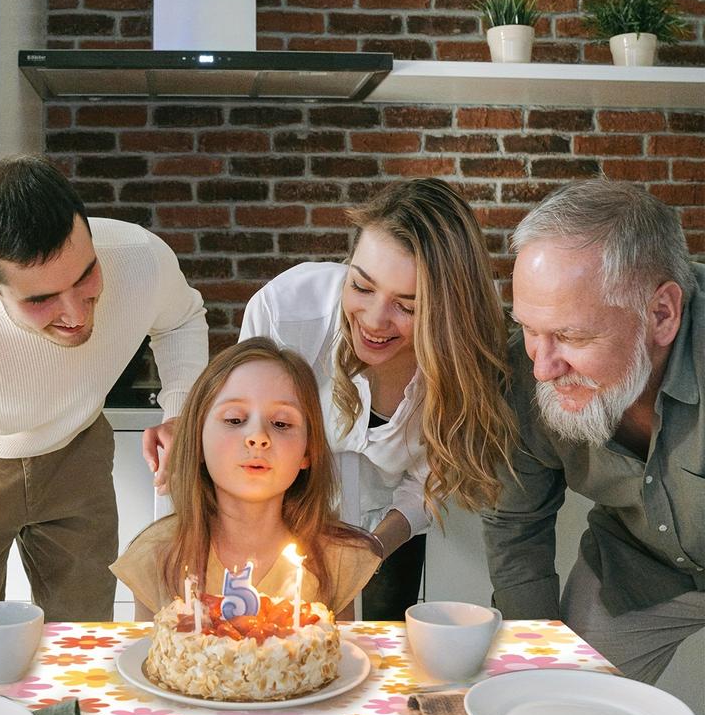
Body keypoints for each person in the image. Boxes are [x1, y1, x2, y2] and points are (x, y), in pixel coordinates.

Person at [0, 155, 208, 623]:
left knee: (85, 627)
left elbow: (181, 320)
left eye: (85, 276)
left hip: (79, 451)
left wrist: (180, 412)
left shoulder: (140, 257)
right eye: (41, 298)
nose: (76, 312)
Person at [241, 178, 517, 620]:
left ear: (446, 311)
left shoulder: (463, 362)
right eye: (362, 287)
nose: (373, 320)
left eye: (407, 306)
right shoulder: (287, 312)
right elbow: (247, 441)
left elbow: (430, 481)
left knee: (379, 665)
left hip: (386, 533)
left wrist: (372, 547)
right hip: (276, 519)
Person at [483, 179, 704, 684]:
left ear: (661, 314)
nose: (542, 367)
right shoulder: (524, 372)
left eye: (570, 336)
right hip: (636, 568)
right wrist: (533, 659)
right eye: (531, 330)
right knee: (560, 707)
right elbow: (517, 529)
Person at [111, 338, 382, 619]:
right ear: (197, 441)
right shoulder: (157, 555)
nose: (258, 438)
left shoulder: (337, 558)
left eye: (281, 423)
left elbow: (343, 659)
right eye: (234, 420)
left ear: (308, 451)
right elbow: (145, 659)